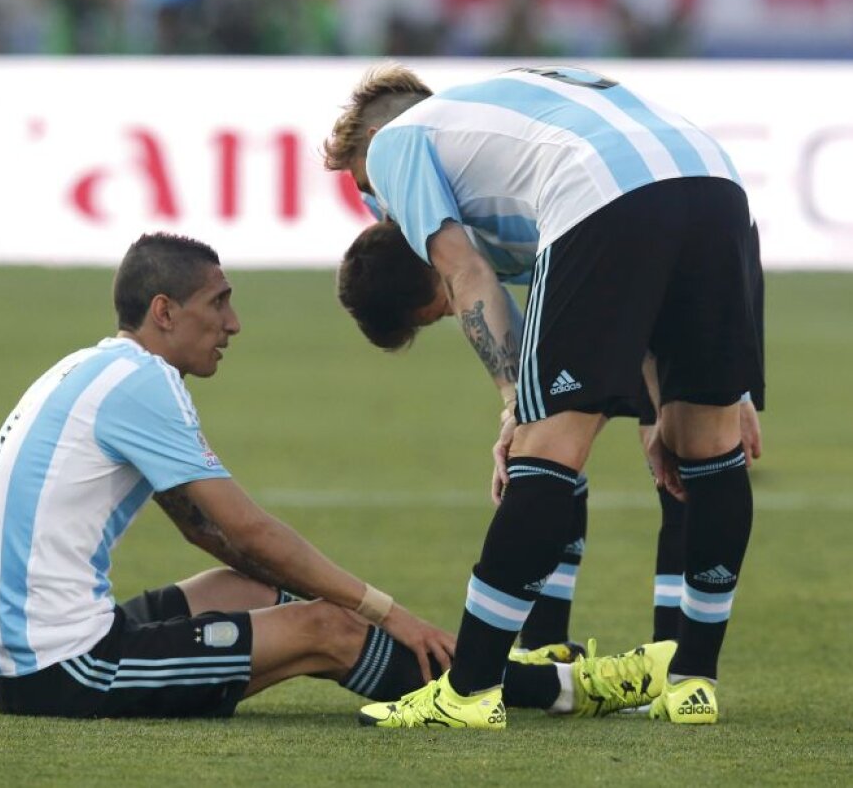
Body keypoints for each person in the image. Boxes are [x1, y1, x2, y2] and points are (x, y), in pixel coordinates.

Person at [0, 231, 665, 722]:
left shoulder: (96, 367)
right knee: (329, 628)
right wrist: (384, 611)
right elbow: (246, 526)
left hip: (30, 655)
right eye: (218, 303)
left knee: (260, 589)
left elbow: (209, 534)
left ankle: (451, 668)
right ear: (164, 312)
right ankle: (549, 687)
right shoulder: (144, 384)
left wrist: (311, 596)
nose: (233, 323)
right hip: (65, 668)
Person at [324, 64, 764, 727]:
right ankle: (692, 681)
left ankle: (468, 690)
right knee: (706, 445)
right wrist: (679, 397)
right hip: (714, 179)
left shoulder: (398, 143)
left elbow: (464, 271)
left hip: (602, 188)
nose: (375, 206)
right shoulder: (505, 135)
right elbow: (636, 274)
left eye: (363, 185)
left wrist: (514, 404)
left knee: (546, 450)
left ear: (375, 141)